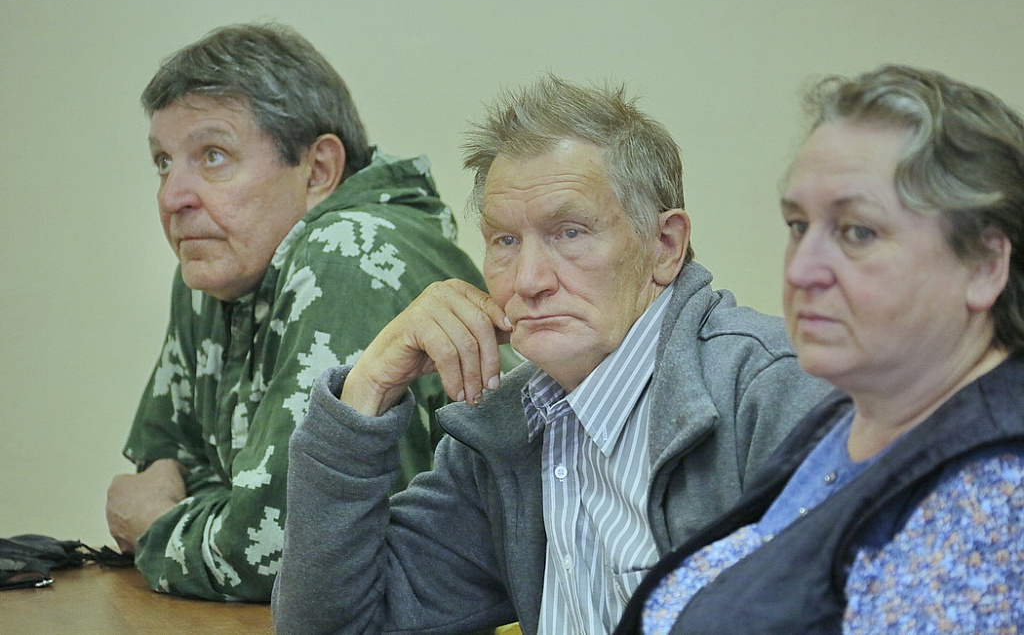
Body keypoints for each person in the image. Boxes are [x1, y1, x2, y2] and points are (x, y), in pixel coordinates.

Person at [272, 75, 832, 634]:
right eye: (505, 241)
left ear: (665, 246)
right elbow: (332, 627)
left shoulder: (776, 391)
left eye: (569, 233)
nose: (529, 280)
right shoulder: (500, 429)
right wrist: (368, 387)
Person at [614, 65, 1024, 634]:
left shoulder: (995, 495)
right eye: (798, 225)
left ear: (984, 265)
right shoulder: (850, 416)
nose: (802, 270)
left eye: (858, 232)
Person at [104, 23, 495, 602]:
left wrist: (156, 528)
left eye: (213, 156)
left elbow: (285, 554)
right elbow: (165, 467)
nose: (172, 197)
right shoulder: (216, 264)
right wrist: (216, 514)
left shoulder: (352, 253)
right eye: (163, 161)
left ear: (317, 171)